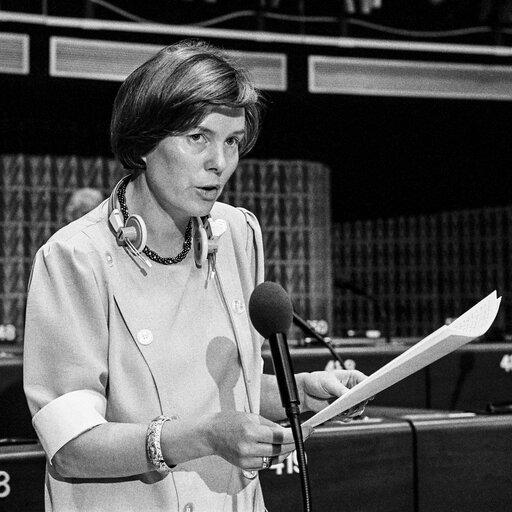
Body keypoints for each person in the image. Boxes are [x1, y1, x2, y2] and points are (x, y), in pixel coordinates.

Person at [23, 39, 367, 512]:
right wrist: (203, 436)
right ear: (144, 142)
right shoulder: (73, 258)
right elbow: (72, 447)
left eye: (232, 142)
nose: (220, 163)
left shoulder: (239, 234)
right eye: (198, 138)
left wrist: (301, 391)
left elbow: (224, 386)